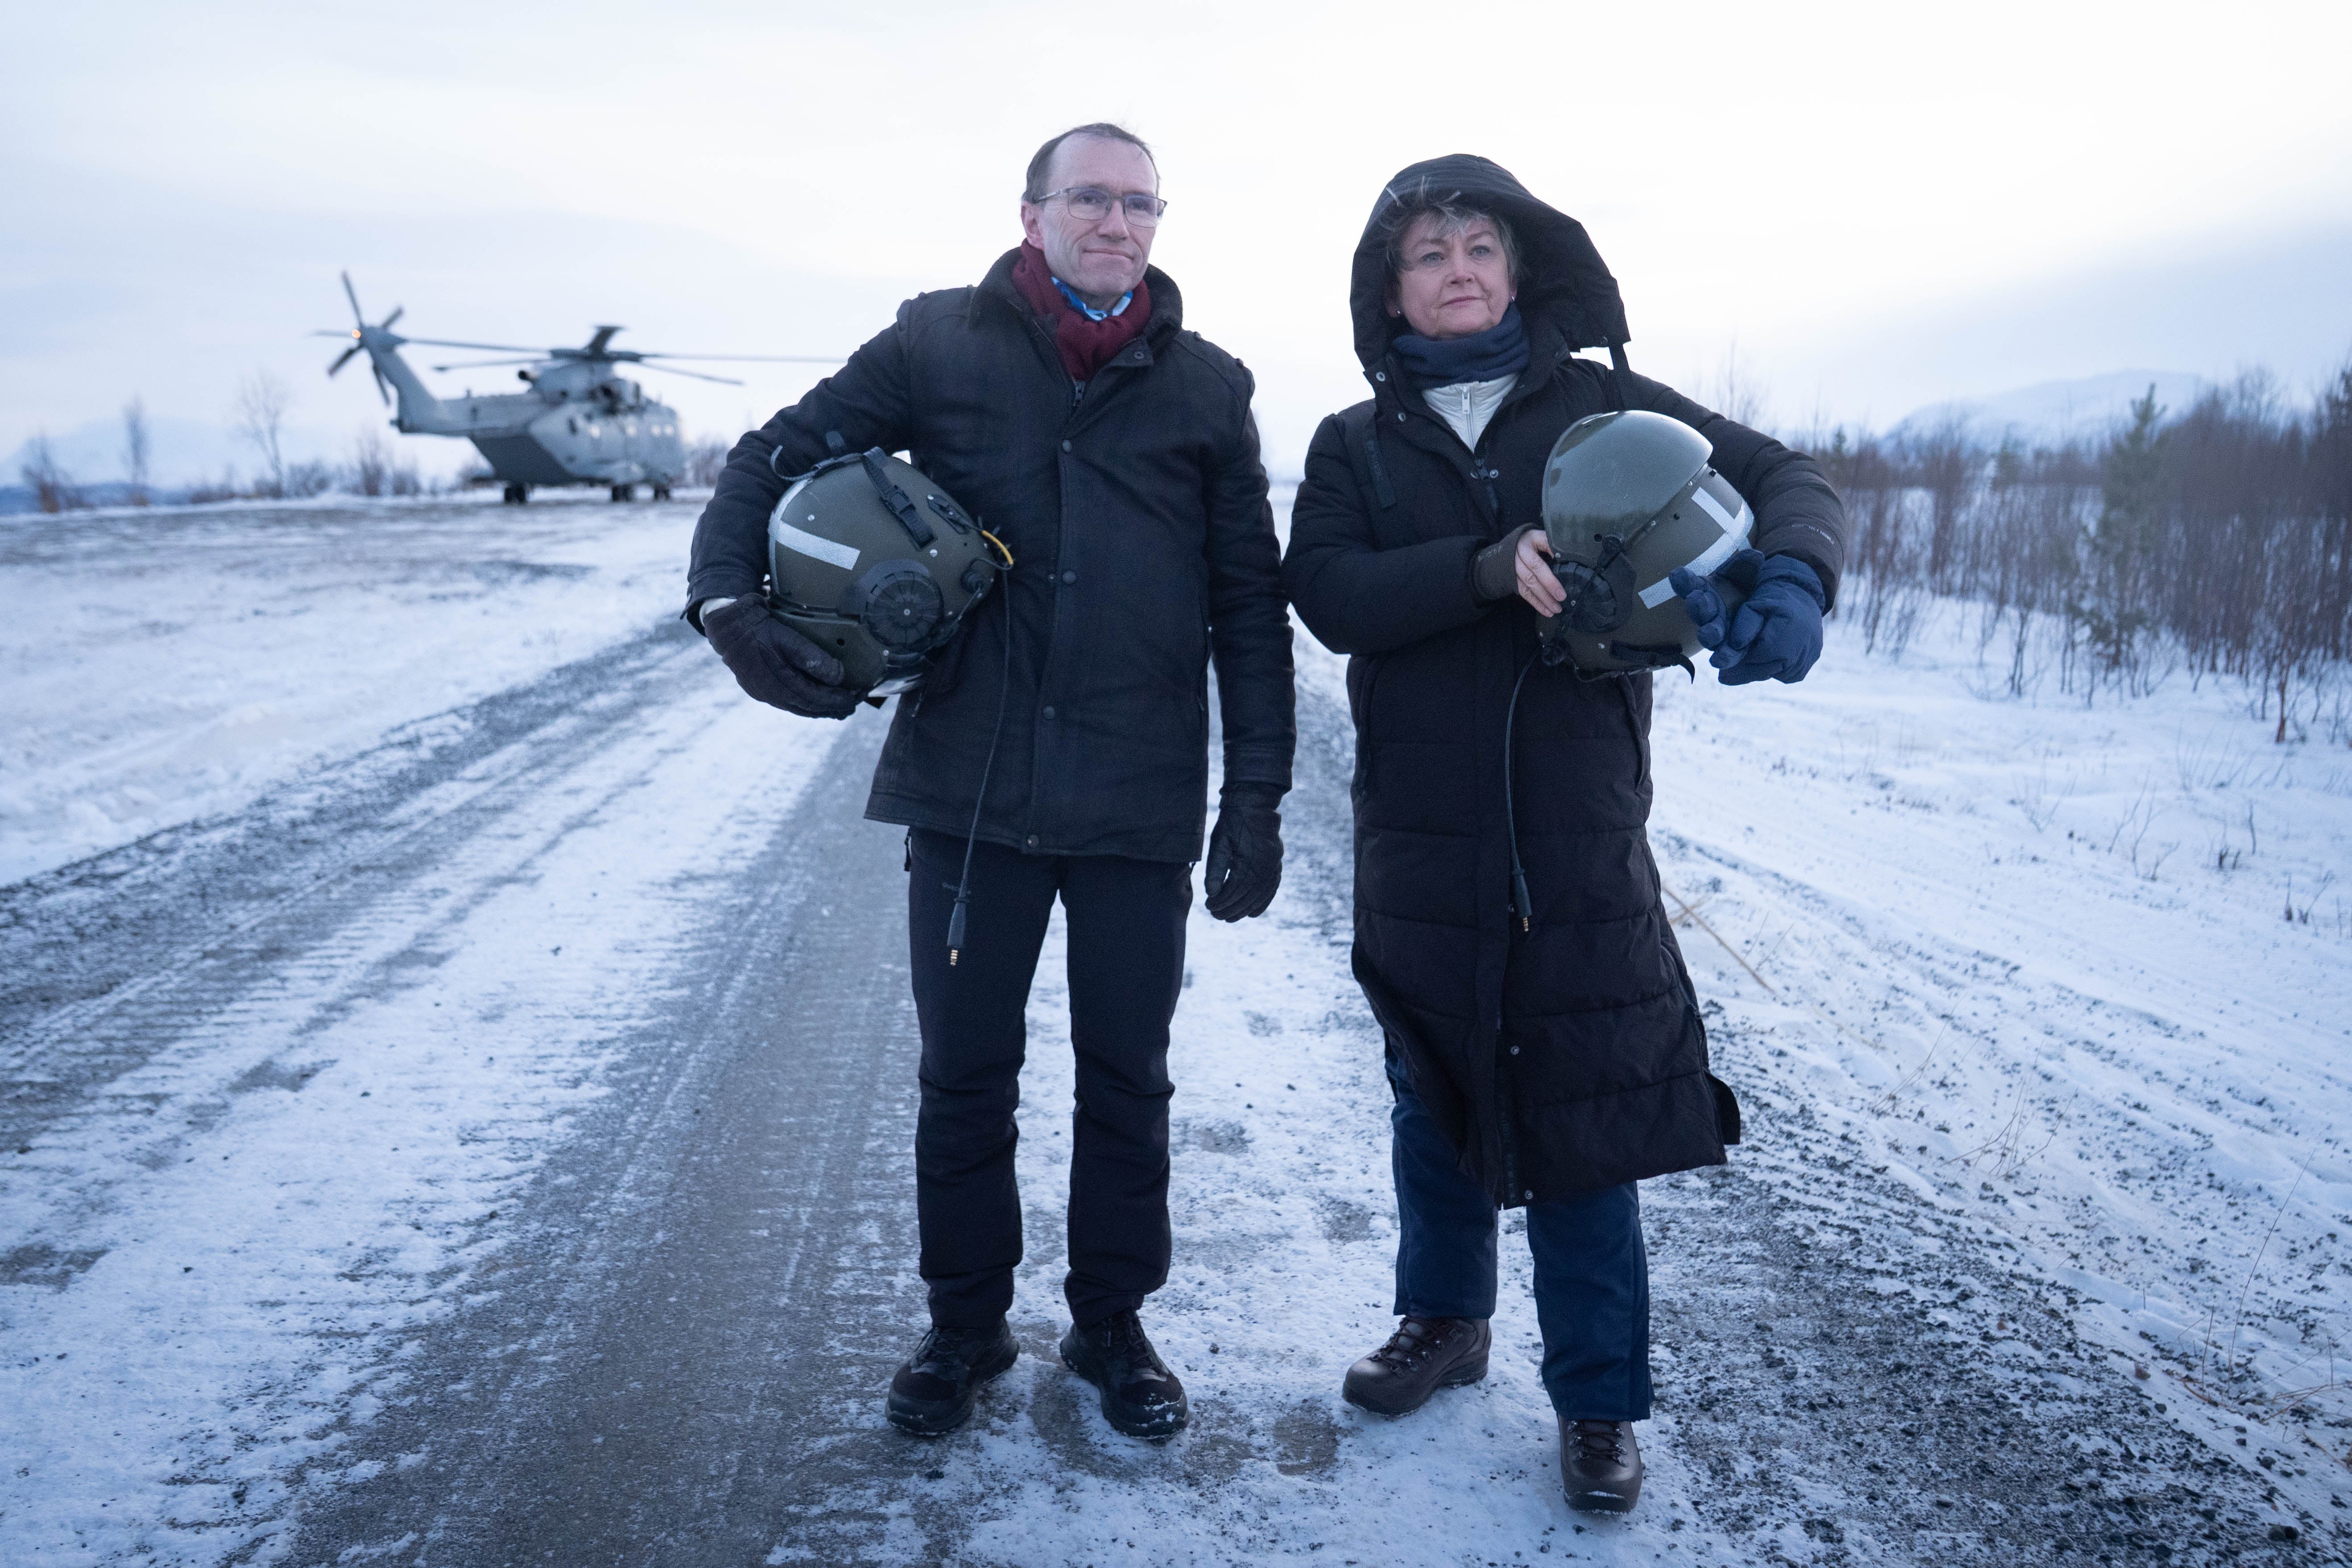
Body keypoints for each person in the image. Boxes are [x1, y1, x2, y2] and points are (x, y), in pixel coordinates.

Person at [684, 123, 1294, 1441]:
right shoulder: (934, 345)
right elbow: (766, 459)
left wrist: (1257, 796)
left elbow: (1251, 606)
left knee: (1128, 1075)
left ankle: (1112, 1321)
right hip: (972, 785)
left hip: (1137, 795)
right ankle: (966, 1325)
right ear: (1033, 214)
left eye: (1140, 203)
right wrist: (729, 604)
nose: (1117, 222)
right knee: (967, 1072)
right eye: (1091, 197)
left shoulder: (1209, 387)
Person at [1281, 154, 1845, 1513]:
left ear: (1519, 269)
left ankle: (1597, 1398)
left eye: (1481, 244)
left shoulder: (1602, 403)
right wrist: (1483, 570)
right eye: (1429, 252)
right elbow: (1329, 592)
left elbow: (1785, 475)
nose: (1460, 266)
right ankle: (1445, 1317)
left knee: (1588, 1104)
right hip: (1417, 825)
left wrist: (1800, 575)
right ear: (1392, 287)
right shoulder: (1355, 446)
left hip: (1579, 819)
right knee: (1435, 1086)